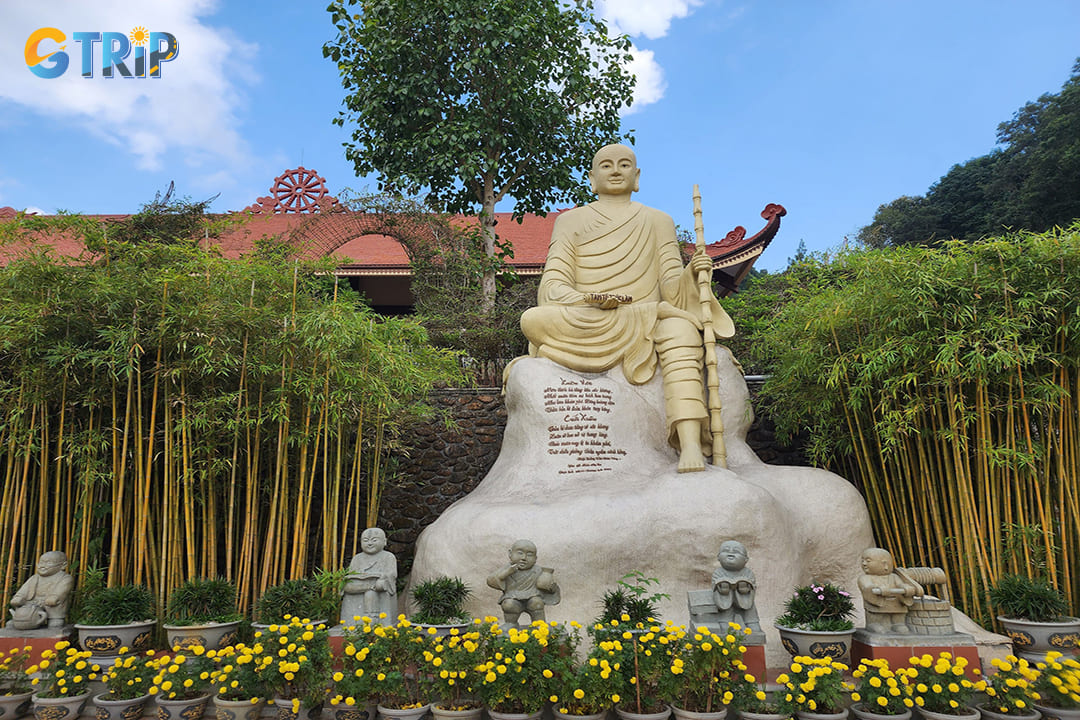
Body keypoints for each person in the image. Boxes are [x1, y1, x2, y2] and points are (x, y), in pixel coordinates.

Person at [520, 144, 733, 472]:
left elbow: (672, 289)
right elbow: (551, 287)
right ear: (592, 179)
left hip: (648, 317)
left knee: (680, 328)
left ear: (637, 177)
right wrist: (588, 299)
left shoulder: (658, 221)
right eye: (606, 165)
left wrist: (692, 272)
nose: (616, 170)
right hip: (590, 317)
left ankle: (688, 442)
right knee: (532, 319)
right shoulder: (570, 222)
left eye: (624, 165)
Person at [486, 539, 560, 625]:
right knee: (508, 604)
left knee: (537, 603)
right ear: (510, 554)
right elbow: (491, 580)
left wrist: (551, 588)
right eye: (520, 553)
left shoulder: (538, 570)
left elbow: (551, 589)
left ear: (535, 558)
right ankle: (510, 624)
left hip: (533, 597)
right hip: (513, 597)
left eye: (529, 555)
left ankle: (539, 625)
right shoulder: (508, 568)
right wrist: (506, 573)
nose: (524, 558)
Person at [341, 527, 397, 625]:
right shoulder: (357, 558)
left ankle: (372, 618)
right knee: (346, 585)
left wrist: (382, 576)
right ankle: (350, 621)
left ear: (384, 542)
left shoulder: (388, 557)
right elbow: (351, 574)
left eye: (374, 540)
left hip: (377, 584)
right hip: (360, 584)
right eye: (365, 541)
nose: (369, 543)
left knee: (372, 591)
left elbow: (392, 574)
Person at [857, 547, 920, 634]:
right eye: (862, 560)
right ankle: (874, 624)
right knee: (876, 615)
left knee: (899, 614)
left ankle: (898, 624)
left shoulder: (894, 577)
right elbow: (867, 587)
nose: (864, 563)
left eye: (868, 561)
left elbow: (900, 584)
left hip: (896, 601)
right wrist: (877, 589)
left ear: (885, 564)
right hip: (878, 603)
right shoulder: (864, 578)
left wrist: (905, 587)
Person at [9, 550, 73, 629]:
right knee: (21, 606)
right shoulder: (34, 578)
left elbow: (62, 591)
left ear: (63, 565)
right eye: (41, 563)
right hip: (32, 603)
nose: (43, 566)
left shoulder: (65, 578)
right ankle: (19, 619)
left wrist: (55, 597)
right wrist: (19, 597)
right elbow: (24, 590)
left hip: (50, 603)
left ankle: (54, 618)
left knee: (54, 607)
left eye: (48, 563)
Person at [711, 540, 761, 632]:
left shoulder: (748, 573)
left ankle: (752, 625)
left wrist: (744, 587)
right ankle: (725, 626)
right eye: (726, 550)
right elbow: (715, 589)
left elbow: (752, 588)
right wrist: (723, 588)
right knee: (725, 628)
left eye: (736, 552)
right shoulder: (718, 573)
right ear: (718, 557)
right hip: (725, 601)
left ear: (746, 559)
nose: (730, 553)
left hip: (745, 601)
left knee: (754, 627)